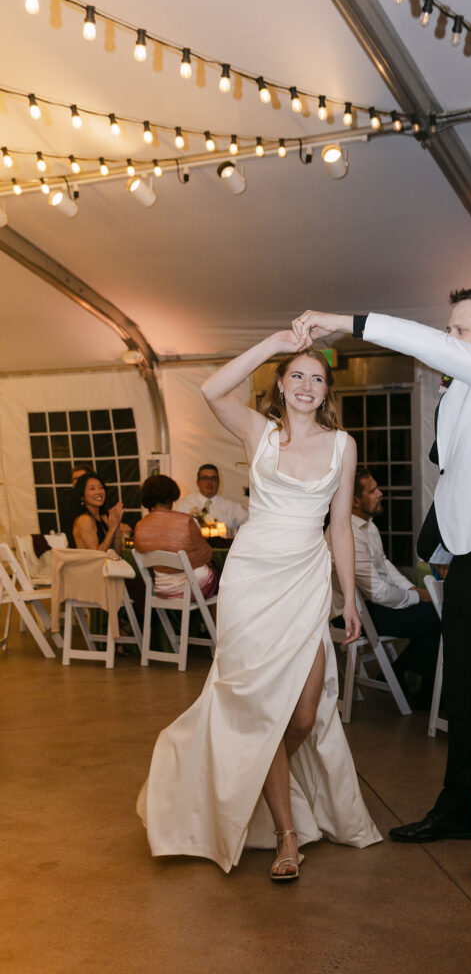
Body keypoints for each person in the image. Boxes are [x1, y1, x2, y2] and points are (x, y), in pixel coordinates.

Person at [293, 289, 471, 880]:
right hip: (469, 563)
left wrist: (344, 322)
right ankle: (458, 809)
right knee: (462, 696)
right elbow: (457, 468)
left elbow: (429, 347)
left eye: (459, 329)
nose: (450, 337)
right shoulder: (468, 388)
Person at [137, 331, 381, 880]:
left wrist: (349, 600)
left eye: (316, 378)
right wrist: (277, 339)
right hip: (251, 579)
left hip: (307, 581)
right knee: (257, 706)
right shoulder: (258, 430)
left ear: (326, 393)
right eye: (295, 374)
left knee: (302, 713)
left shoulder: (343, 446)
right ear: (279, 382)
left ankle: (250, 779)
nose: (306, 384)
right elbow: (211, 387)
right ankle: (286, 837)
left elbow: (340, 525)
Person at [327, 467, 441, 708]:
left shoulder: (367, 526)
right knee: (437, 619)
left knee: (438, 617)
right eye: (373, 490)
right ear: (355, 500)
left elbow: (385, 566)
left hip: (369, 607)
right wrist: (420, 597)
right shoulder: (347, 533)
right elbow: (377, 592)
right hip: (351, 616)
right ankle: (421, 694)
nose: (381, 493)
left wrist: (415, 591)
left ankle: (402, 678)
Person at [133, 475, 217, 599]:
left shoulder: (139, 526)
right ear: (171, 497)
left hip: (162, 589)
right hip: (193, 587)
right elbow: (206, 555)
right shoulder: (187, 521)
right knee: (218, 575)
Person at [177, 464, 247, 535]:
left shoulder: (233, 507)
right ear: (198, 482)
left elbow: (249, 524)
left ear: (219, 482)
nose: (209, 482)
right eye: (205, 478)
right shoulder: (183, 504)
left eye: (213, 478)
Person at [70, 472, 124, 553]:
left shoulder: (102, 517)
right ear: (82, 496)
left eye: (101, 487)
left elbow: (117, 553)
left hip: (108, 564)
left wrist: (116, 527)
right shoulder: (84, 520)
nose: (98, 492)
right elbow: (96, 555)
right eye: (92, 488)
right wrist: (112, 529)